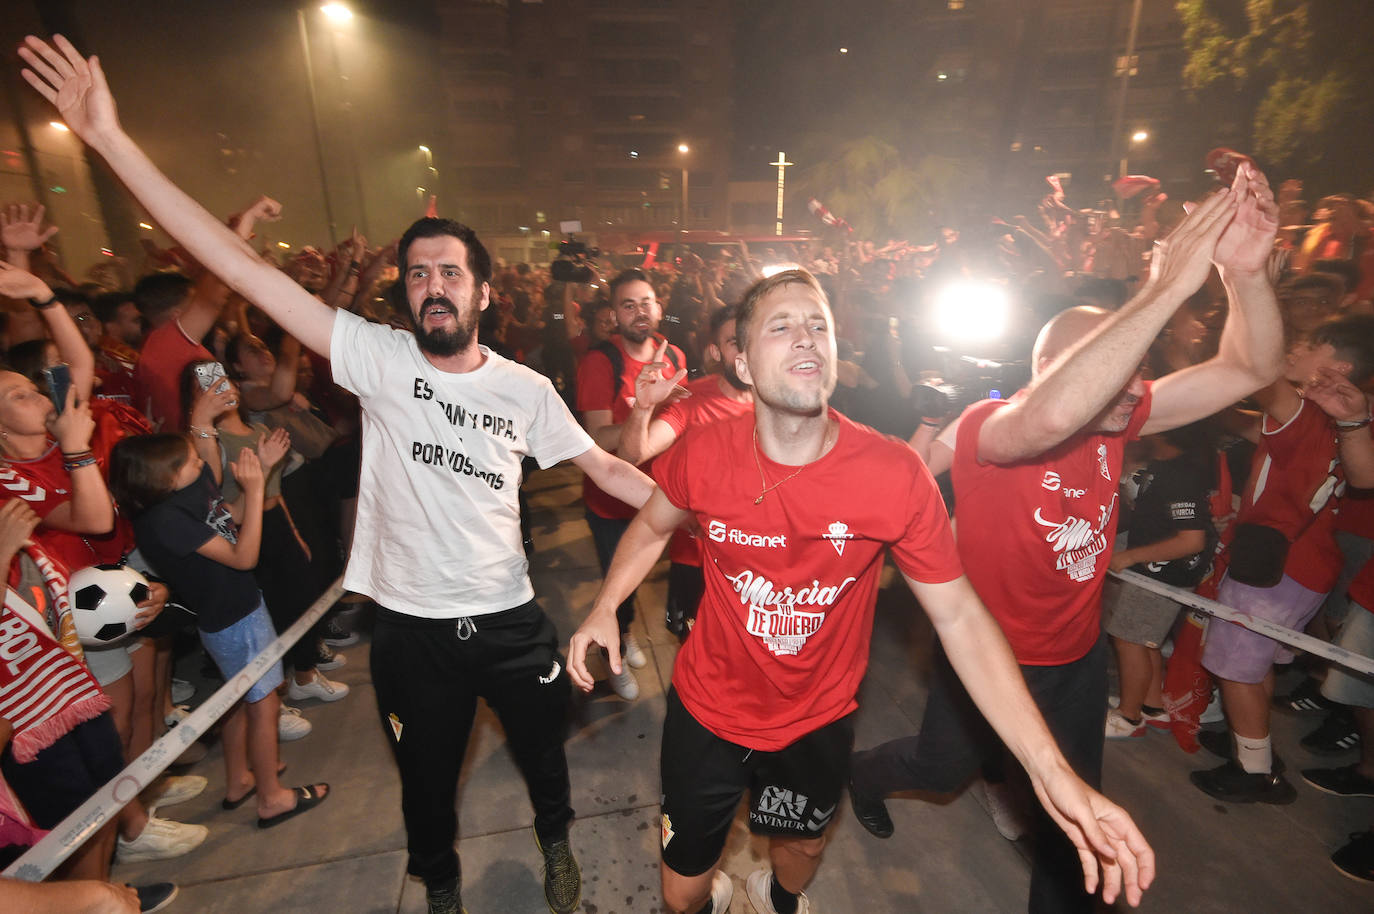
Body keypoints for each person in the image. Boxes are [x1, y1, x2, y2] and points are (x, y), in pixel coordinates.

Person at [17, 36, 653, 914]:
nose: (435, 285)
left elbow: (608, 465)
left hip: (507, 618)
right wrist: (111, 141)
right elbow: (239, 265)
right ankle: (439, 886)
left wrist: (687, 509)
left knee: (545, 758)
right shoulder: (377, 356)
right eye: (420, 272)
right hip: (409, 632)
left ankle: (555, 843)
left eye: (451, 273)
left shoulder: (524, 388)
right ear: (406, 292)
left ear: (481, 296)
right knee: (426, 788)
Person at [568, 269, 1155, 914]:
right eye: (782, 326)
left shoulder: (894, 474)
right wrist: (604, 605)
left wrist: (1054, 774)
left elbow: (959, 616)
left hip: (816, 720)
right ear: (741, 359)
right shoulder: (703, 451)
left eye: (819, 325)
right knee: (680, 894)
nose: (806, 339)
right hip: (708, 711)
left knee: (801, 856)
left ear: (836, 355)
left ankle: (778, 897)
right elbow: (652, 525)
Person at [848, 167, 1284, 913]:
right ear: (1047, 372)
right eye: (1110, 370)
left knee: (1073, 826)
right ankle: (861, 776)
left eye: (1136, 369)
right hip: (986, 661)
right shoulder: (992, 426)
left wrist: (1243, 276)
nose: (1132, 387)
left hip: (1073, 662)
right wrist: (1162, 290)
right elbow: (1049, 420)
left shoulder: (1122, 410)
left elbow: (1250, 367)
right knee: (938, 764)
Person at [575, 267, 686, 699]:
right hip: (610, 504)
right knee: (616, 585)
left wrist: (645, 429)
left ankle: (627, 633)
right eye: (628, 304)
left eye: (646, 302)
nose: (639, 311)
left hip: (660, 499)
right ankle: (614, 653)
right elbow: (600, 441)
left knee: (639, 580)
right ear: (614, 315)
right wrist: (642, 417)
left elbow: (681, 421)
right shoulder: (599, 362)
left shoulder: (673, 356)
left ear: (658, 307)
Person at [618, 304, 753, 640]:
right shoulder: (693, 401)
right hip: (697, 562)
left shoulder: (780, 403)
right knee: (695, 652)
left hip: (759, 566)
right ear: (716, 351)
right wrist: (644, 409)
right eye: (735, 341)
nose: (746, 350)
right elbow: (635, 454)